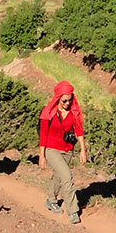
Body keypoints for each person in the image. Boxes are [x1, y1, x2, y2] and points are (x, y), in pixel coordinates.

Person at [38, 81, 88, 224]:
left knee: (59, 177)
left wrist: (82, 150)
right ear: (58, 98)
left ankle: (51, 200)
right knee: (67, 176)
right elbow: (43, 135)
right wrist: (42, 156)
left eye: (70, 99)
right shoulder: (48, 113)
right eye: (64, 100)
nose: (67, 103)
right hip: (51, 149)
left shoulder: (74, 112)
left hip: (67, 149)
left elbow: (79, 131)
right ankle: (73, 211)